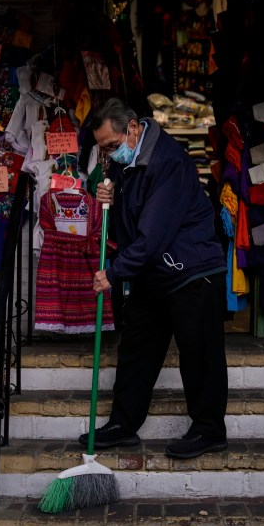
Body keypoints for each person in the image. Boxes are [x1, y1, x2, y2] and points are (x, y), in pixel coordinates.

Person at [82, 97, 229, 459]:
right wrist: (107, 193)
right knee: (137, 348)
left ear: (132, 128)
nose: (109, 154)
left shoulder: (168, 162)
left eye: (112, 146)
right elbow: (127, 218)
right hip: (152, 271)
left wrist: (113, 274)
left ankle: (209, 429)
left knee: (199, 353)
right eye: (102, 149)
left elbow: (153, 234)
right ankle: (123, 423)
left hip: (191, 269)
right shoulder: (126, 160)